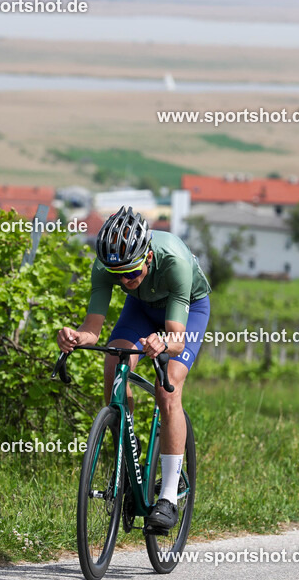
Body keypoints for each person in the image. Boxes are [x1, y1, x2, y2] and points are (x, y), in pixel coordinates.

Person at [57, 207, 211, 529]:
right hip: (141, 308)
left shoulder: (174, 261)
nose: (124, 280)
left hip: (186, 311)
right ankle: (127, 446)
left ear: (149, 257)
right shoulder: (107, 267)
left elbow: (177, 339)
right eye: (117, 275)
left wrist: (161, 343)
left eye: (131, 272)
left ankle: (168, 497)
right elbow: (92, 329)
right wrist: (75, 336)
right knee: (114, 363)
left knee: (167, 387)